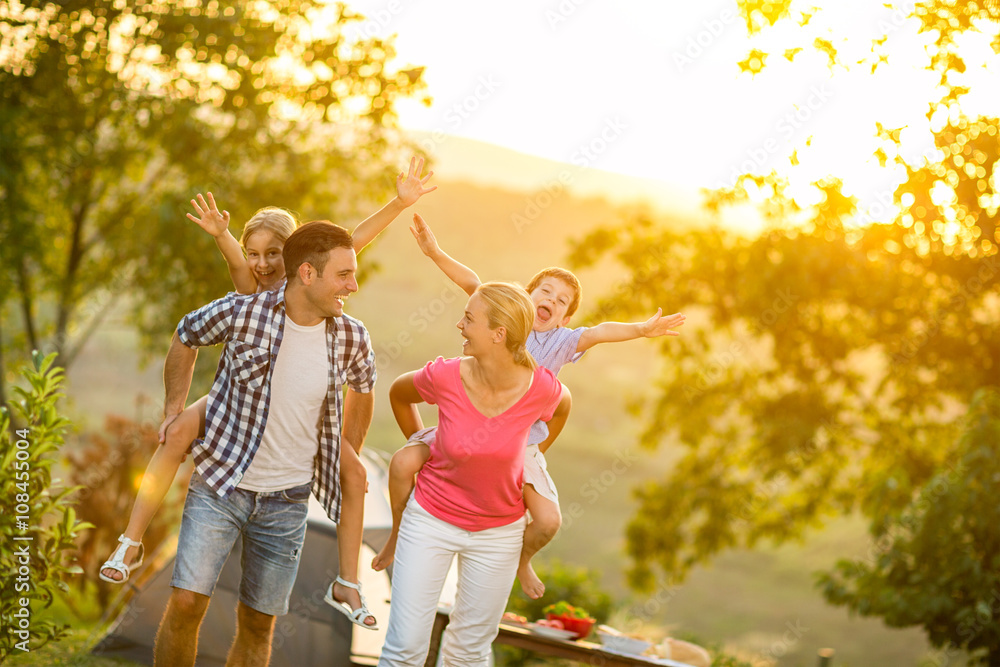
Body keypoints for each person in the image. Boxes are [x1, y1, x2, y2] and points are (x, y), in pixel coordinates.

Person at [100, 157, 435, 633]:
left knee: (356, 473)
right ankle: (130, 540)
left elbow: (351, 241)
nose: (261, 264)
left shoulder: (320, 283)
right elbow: (208, 304)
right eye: (253, 254)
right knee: (174, 435)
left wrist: (398, 205)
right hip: (232, 405)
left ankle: (348, 580)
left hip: (293, 460)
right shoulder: (249, 296)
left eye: (273, 254)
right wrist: (222, 237)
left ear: (298, 261)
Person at [372, 213, 685, 599]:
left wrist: (640, 329)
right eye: (545, 292)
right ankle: (397, 534)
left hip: (519, 445)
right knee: (403, 463)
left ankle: (520, 560)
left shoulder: (564, 342)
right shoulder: (504, 315)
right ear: (526, 294)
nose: (550, 301)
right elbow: (471, 281)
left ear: (566, 317)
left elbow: (601, 332)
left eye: (561, 301)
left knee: (548, 520)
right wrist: (435, 252)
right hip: (470, 426)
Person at [148, 220, 376, 667]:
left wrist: (342, 452)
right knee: (187, 604)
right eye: (344, 275)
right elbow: (186, 332)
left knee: (257, 623)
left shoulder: (352, 336)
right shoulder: (248, 310)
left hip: (287, 502)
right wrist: (174, 407)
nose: (353, 284)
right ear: (307, 274)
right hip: (218, 487)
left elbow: (363, 391)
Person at [378, 282, 569, 666]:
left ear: (499, 334)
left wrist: (532, 452)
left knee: (469, 652)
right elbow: (399, 394)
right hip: (430, 520)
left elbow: (562, 408)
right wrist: (426, 444)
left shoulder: (542, 389)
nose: (459, 325)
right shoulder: (446, 375)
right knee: (406, 648)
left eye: (469, 319)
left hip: (499, 535)